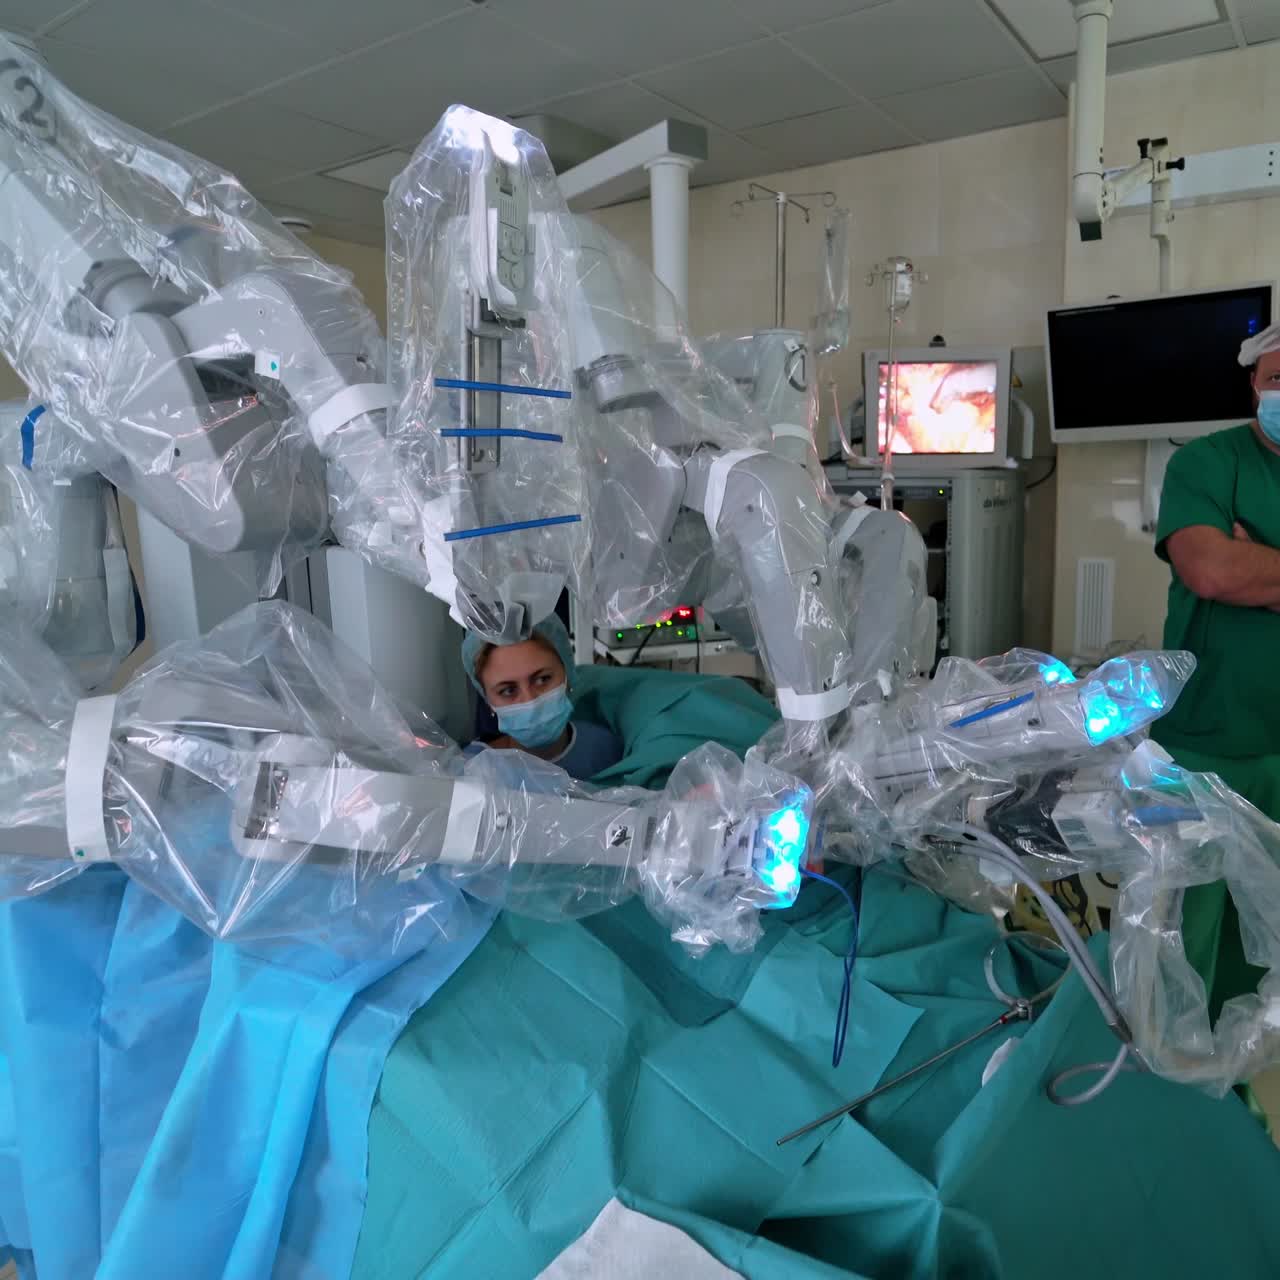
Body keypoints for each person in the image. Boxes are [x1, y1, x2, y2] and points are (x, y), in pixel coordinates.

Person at [1152, 320, 1280, 1017]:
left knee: (1263, 933)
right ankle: (1167, 1077)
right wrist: (1238, 570)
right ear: (1253, 386)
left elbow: (1242, 574)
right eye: (1278, 379)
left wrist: (1260, 569)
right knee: (1182, 934)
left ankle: (1233, 1079)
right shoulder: (1206, 463)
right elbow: (1210, 569)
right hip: (1206, 743)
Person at [460, 613, 624, 783]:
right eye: (508, 691)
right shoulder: (474, 770)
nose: (530, 701)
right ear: (489, 702)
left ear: (567, 675)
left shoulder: (607, 750)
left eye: (542, 679)